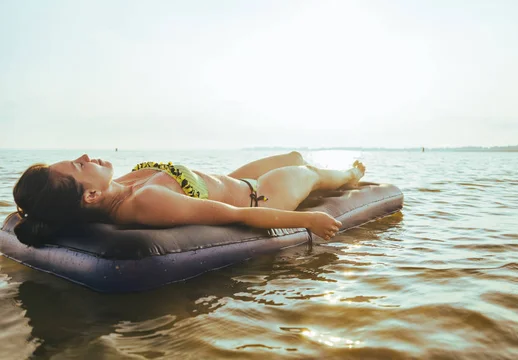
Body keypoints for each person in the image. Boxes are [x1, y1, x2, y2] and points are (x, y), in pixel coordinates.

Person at [12, 151, 366, 247]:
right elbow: (236, 216)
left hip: (237, 177)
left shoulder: (112, 189)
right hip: (261, 197)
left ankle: (328, 173)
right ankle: (350, 175)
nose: (87, 156)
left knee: (293, 156)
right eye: (79, 164)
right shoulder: (145, 202)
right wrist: (308, 220)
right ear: (90, 194)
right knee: (309, 172)